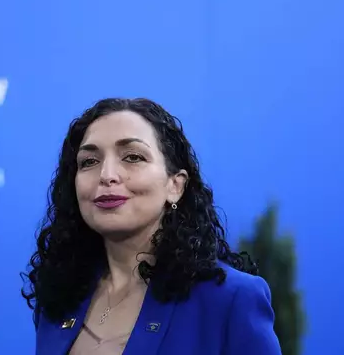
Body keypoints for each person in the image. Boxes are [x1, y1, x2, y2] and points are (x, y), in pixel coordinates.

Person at [21, 98, 282, 355]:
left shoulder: (231, 299)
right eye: (89, 161)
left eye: (132, 157)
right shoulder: (61, 296)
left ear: (175, 186)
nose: (107, 175)